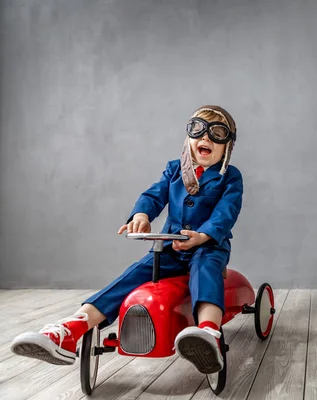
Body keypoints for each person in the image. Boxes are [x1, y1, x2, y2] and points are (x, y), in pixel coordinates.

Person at [10, 105, 243, 374]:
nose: (206, 139)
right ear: (188, 137)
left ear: (227, 147)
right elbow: (154, 195)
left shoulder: (230, 177)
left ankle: (208, 333)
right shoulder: (175, 170)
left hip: (208, 246)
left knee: (206, 271)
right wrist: (142, 213)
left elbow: (227, 211)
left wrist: (203, 235)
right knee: (134, 275)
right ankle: (70, 329)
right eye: (198, 131)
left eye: (216, 134)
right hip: (170, 248)